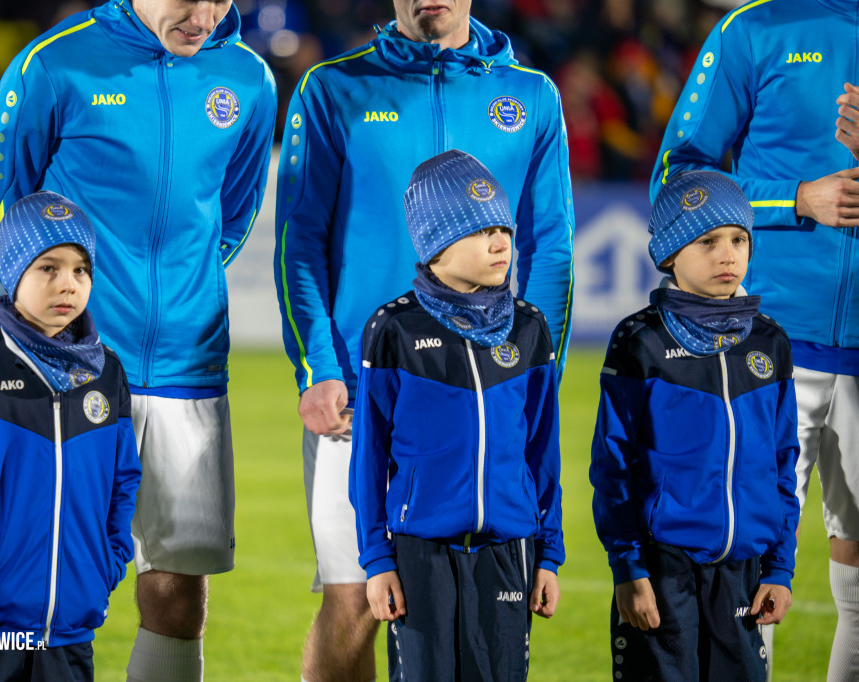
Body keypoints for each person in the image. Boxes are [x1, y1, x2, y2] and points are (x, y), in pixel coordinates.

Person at [0, 2, 277, 680]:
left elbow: (235, 209)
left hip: (187, 369)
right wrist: (53, 330)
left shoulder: (249, 80)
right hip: (66, 371)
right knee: (30, 585)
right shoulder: (55, 62)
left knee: (176, 589)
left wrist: (180, 294)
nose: (202, 14)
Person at [273, 2, 574, 677]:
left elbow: (550, 244)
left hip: (485, 391)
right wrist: (317, 365)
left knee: (476, 606)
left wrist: (537, 370)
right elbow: (299, 243)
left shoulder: (530, 95)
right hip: (361, 394)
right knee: (355, 602)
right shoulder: (332, 88)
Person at [651, 3, 859, 678]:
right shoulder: (757, 28)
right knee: (740, 565)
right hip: (763, 349)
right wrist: (795, 198)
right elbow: (677, 177)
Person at [348, 150, 564, 681]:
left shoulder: (529, 328)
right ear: (434, 245)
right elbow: (369, 459)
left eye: (504, 229)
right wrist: (377, 561)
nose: (500, 243)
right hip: (420, 552)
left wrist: (549, 553)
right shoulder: (392, 329)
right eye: (478, 231)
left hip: (510, 549)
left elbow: (543, 451)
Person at [0, 191, 142, 681]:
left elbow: (124, 480)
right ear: (13, 271)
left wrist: (109, 560)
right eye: (48, 268)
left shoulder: (107, 372)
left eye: (80, 270)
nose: (68, 284)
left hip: (73, 624)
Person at [592, 171, 800, 681]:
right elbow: (612, 466)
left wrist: (779, 568)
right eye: (707, 241)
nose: (727, 254)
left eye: (737, 240)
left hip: (744, 574)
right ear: (669, 254)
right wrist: (629, 569)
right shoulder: (639, 341)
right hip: (662, 572)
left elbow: (782, 462)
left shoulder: (769, 342)